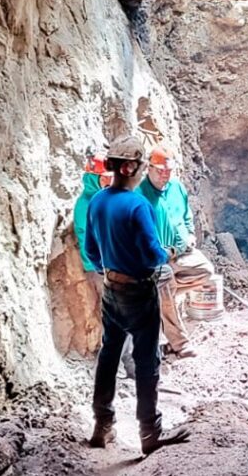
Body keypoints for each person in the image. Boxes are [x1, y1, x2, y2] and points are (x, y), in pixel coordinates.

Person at [84, 135, 190, 455]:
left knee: (109, 354)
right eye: (141, 165)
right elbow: (150, 255)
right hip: (138, 291)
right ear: (131, 167)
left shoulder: (98, 201)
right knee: (147, 360)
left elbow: (91, 249)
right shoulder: (137, 204)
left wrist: (111, 269)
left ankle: (102, 424)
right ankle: (149, 432)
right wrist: (167, 252)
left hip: (111, 289)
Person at [136, 144, 222, 358]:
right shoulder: (139, 195)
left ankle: (163, 295)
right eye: (159, 170)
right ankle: (179, 343)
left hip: (181, 252)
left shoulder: (177, 188)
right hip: (157, 257)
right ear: (148, 168)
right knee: (163, 282)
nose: (164, 175)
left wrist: (190, 234)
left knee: (206, 270)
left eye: (168, 171)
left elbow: (186, 216)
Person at [73, 151, 136, 378]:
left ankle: (127, 360)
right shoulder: (86, 205)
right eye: (104, 178)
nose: (109, 181)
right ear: (93, 178)